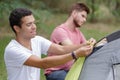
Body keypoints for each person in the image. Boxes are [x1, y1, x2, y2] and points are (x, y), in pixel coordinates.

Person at [4, 8, 96, 80]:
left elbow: (61, 49)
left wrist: (84, 45)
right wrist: (75, 54)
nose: (34, 27)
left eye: (34, 23)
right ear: (17, 28)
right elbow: (43, 63)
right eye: (29, 24)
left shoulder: (37, 40)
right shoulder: (13, 50)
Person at [45, 2, 92, 80]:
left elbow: (86, 46)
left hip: (69, 70)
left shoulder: (78, 32)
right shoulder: (60, 31)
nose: (84, 20)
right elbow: (70, 49)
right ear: (74, 13)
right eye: (82, 16)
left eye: (85, 18)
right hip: (55, 72)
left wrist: (92, 43)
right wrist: (86, 44)